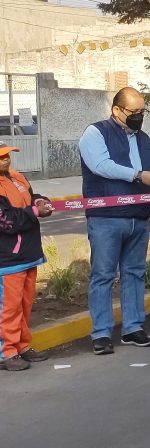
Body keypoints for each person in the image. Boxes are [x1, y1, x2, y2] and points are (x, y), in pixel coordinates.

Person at [78, 87, 150, 355]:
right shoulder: (96, 133)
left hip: (139, 217)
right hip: (106, 217)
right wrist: (137, 175)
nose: (139, 116)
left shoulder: (144, 138)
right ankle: (101, 333)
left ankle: (133, 328)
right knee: (103, 275)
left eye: (142, 111)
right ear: (116, 110)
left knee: (135, 274)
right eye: (134, 112)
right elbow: (100, 165)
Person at [0, 143, 54, 371]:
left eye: (7, 155)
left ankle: (21, 346)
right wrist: (34, 212)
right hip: (8, 260)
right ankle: (6, 352)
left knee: (24, 305)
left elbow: (31, 198)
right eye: (1, 157)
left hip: (28, 254)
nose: (6, 160)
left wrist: (40, 201)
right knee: (8, 308)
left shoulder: (16, 177)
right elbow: (5, 220)